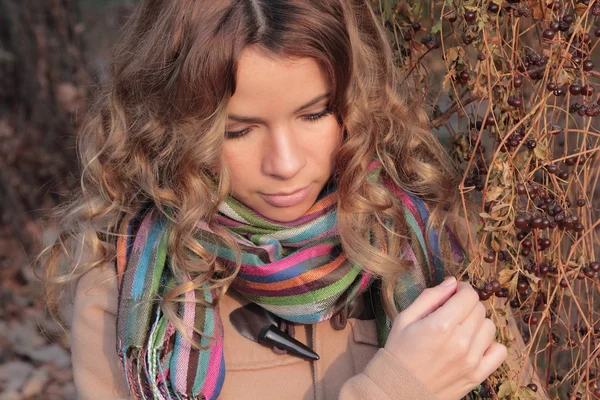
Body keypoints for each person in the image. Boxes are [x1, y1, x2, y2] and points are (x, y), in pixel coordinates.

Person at [38, 1, 545, 399]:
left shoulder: (430, 240)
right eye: (239, 131)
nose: (284, 163)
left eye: (314, 115)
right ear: (176, 127)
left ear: (354, 101)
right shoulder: (127, 284)